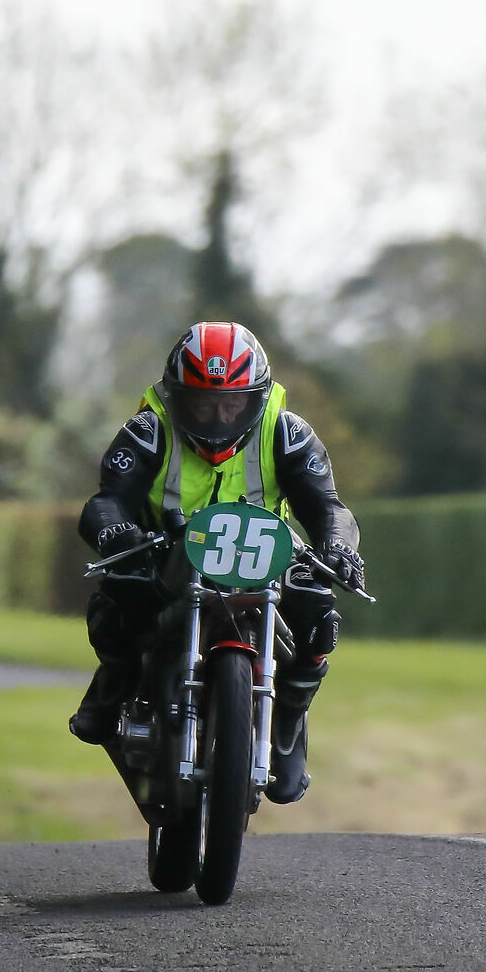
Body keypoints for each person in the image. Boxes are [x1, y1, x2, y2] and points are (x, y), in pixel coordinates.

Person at [68, 322, 362, 804]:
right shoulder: (148, 429)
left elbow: (329, 507)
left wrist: (339, 547)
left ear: (257, 397)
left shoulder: (287, 432)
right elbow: (106, 501)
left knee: (318, 607)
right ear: (176, 397)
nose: (219, 417)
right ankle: (115, 679)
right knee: (118, 591)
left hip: (266, 555)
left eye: (233, 403)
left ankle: (288, 721)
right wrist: (116, 531)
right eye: (202, 403)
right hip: (167, 550)